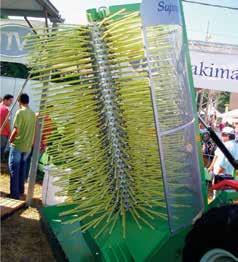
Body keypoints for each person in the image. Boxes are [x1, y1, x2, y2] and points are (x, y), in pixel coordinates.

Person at [8, 93, 36, 199]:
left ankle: (14, 195)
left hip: (18, 145)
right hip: (27, 147)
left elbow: (16, 129)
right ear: (28, 101)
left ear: (19, 102)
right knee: (22, 169)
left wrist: (10, 140)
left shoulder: (20, 112)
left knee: (14, 170)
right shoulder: (33, 114)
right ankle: (20, 190)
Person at [0, 94, 14, 160]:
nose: (11, 103)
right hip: (3, 134)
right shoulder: (6, 109)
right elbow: (7, 123)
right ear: (5, 100)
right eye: (10, 101)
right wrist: (10, 132)